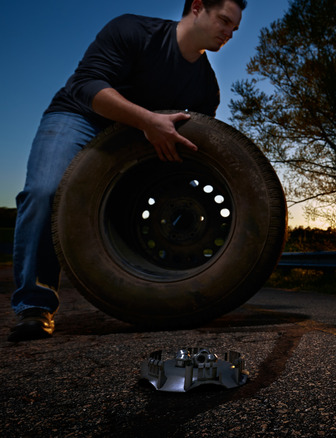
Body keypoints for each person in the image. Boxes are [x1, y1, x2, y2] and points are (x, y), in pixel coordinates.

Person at [8, 0, 246, 342]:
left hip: (141, 141)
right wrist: (146, 119)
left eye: (234, 29)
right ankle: (34, 305)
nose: (229, 33)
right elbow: (85, 84)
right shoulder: (132, 30)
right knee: (45, 192)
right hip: (81, 117)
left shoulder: (206, 87)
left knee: (150, 200)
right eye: (224, 20)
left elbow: (196, 147)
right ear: (196, 8)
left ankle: (154, 284)